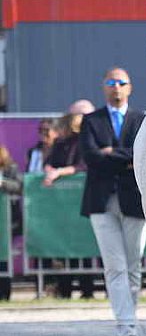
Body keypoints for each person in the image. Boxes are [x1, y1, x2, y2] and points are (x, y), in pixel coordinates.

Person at [80, 67, 146, 336]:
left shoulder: (141, 120)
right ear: (103, 86)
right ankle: (127, 329)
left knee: (133, 267)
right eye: (111, 82)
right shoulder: (91, 120)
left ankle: (127, 327)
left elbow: (142, 155)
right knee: (115, 267)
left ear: (129, 87)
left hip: (134, 200)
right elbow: (92, 157)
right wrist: (124, 158)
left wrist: (111, 153)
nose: (116, 87)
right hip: (101, 201)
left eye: (121, 82)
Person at [44, 107, 95, 299]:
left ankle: (87, 290)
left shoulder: (88, 141)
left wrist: (59, 172)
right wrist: (49, 168)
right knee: (64, 249)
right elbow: (49, 163)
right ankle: (65, 291)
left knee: (85, 249)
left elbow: (82, 166)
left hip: (83, 203)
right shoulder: (61, 143)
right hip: (63, 208)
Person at [0, 145, 23, 300]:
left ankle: (4, 293)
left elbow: (19, 186)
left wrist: (2, 183)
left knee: (3, 257)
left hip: (6, 221)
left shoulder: (11, 168)